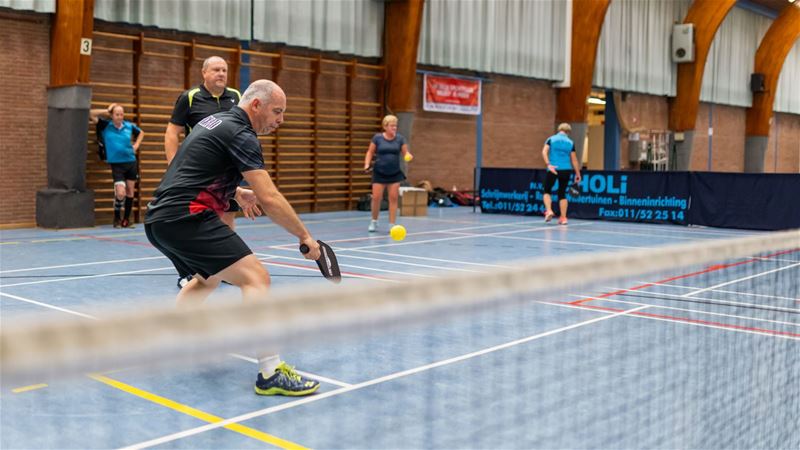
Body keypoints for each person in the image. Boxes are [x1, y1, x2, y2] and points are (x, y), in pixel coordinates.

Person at [145, 79, 322, 396]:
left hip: (160, 219)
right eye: (277, 111)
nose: (280, 120)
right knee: (256, 278)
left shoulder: (215, 121)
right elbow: (269, 197)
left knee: (208, 279)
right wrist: (304, 235)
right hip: (186, 217)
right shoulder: (241, 133)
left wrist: (237, 192)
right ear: (256, 105)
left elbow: (193, 168)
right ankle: (270, 372)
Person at [165, 56, 242, 287]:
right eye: (216, 69)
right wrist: (174, 166)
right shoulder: (190, 97)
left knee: (227, 218)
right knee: (192, 223)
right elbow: (172, 132)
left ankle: (225, 269)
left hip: (227, 173)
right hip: (198, 172)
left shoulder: (236, 97)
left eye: (224, 70)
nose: (221, 74)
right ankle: (187, 272)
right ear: (204, 73)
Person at [90, 103, 144, 228]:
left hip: (130, 162)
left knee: (130, 191)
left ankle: (126, 220)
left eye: (121, 114)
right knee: (120, 193)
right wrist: (107, 111)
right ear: (112, 115)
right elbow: (91, 114)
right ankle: (117, 217)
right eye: (117, 114)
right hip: (117, 165)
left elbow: (141, 133)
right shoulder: (105, 125)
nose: (120, 117)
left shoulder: (129, 126)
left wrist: (136, 145)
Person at [363, 114, 413, 232]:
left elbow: (405, 152)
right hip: (379, 172)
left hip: (394, 173)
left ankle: (392, 224)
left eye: (395, 126)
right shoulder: (377, 138)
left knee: (393, 198)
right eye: (391, 126)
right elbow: (370, 152)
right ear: (385, 126)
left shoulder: (400, 139)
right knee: (376, 198)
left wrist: (408, 155)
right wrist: (366, 164)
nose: (394, 128)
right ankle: (374, 221)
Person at [542, 123, 582, 225]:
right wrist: (578, 174)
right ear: (568, 132)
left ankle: (549, 210)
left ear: (559, 129)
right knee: (562, 193)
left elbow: (544, 152)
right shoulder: (570, 142)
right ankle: (563, 218)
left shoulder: (551, 139)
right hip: (566, 169)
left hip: (553, 168)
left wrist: (548, 164)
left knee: (547, 190)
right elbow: (574, 160)